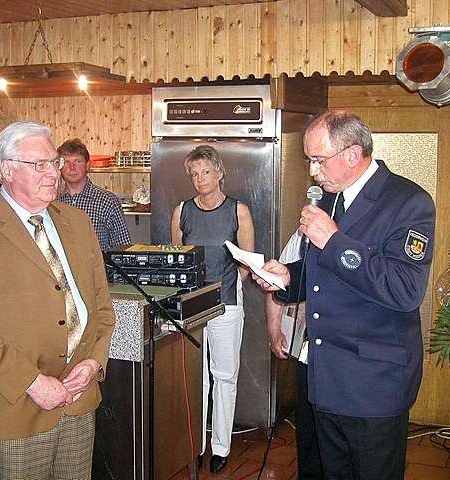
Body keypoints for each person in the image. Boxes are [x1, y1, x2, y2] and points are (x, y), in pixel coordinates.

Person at [254, 110, 435, 480]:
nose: (313, 172)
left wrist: (334, 241)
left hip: (374, 383)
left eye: (318, 160)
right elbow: (320, 276)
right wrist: (287, 278)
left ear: (353, 155)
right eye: (309, 161)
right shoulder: (330, 200)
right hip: (326, 377)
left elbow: (404, 289)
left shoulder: (408, 202)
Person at [0, 122, 116, 480]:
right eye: (41, 164)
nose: (54, 172)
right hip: (14, 403)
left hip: (78, 400)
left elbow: (101, 307)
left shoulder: (78, 224)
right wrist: (34, 383)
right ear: (6, 169)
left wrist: (95, 362)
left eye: (54, 162)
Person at [170, 144, 254, 473]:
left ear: (219, 173)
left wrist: (229, 287)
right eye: (194, 174)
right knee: (196, 377)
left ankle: (220, 447)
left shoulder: (238, 211)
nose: (200, 179)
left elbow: (247, 262)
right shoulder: (182, 211)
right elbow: (176, 257)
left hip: (227, 304)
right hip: (191, 306)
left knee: (224, 376)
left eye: (205, 172)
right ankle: (196, 444)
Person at [266, 225, 328, 480]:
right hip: (308, 349)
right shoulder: (300, 239)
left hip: (345, 358)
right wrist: (274, 330)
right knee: (308, 427)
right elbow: (275, 284)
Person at [57, 138, 131, 251]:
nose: (72, 167)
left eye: (77, 161)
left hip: (97, 268)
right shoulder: (52, 201)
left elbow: (122, 247)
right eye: (67, 162)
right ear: (59, 167)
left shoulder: (107, 201)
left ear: (87, 165)